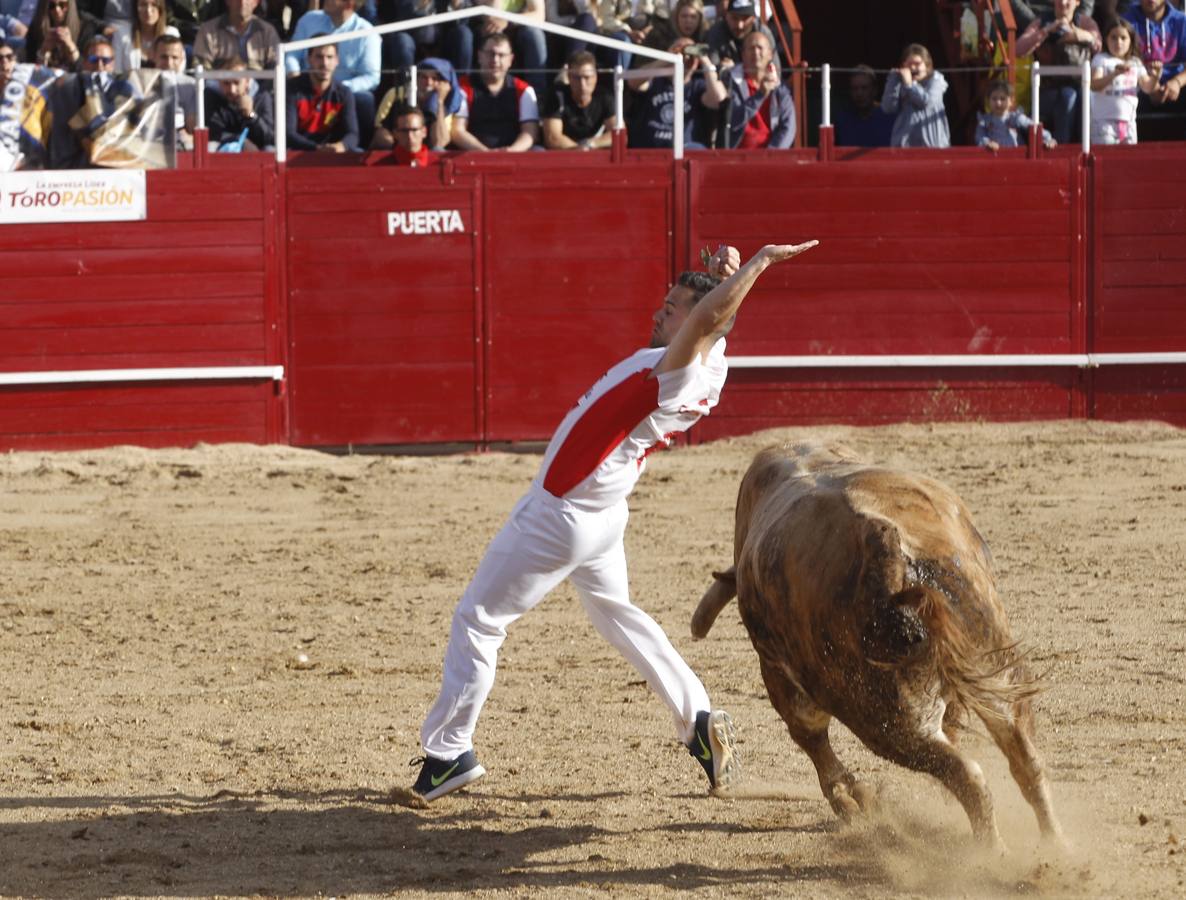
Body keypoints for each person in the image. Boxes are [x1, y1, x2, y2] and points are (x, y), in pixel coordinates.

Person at [409, 238, 820, 803]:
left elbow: (708, 320)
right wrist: (730, 283)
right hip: (602, 514)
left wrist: (758, 266)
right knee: (618, 615)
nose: (660, 312)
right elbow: (715, 323)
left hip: (561, 513)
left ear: (693, 326)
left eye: (671, 307)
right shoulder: (710, 369)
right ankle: (698, 719)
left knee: (478, 621)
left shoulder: (676, 371)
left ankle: (448, 752)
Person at [288, 0, 379, 144]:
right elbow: (291, 54)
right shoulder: (309, 19)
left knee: (365, 99)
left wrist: (339, 88)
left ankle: (362, 151)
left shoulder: (368, 33)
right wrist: (294, 73)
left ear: (349, 3)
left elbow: (372, 77)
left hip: (344, 94)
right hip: (305, 88)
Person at [1016, 0, 1101, 143]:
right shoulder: (1041, 21)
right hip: (1048, 91)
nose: (1063, 2)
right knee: (1069, 95)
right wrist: (1045, 31)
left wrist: (1080, 35)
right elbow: (1019, 49)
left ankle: (1085, 148)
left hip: (1079, 88)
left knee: (1083, 95)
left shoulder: (1084, 21)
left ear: (1077, 2)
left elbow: (1098, 44)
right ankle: (1062, 147)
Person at [626, 34, 726, 148]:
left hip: (687, 151)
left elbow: (718, 99)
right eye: (683, 55)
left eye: (691, 56)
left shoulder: (698, 86)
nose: (686, 59)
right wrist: (668, 57)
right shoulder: (655, 80)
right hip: (650, 151)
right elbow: (632, 81)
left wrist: (704, 58)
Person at [451, 31, 540, 151]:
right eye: (490, 54)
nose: (495, 60)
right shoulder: (463, 87)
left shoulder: (524, 90)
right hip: (474, 156)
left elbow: (530, 132)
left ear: (510, 60)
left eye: (501, 55)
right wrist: (486, 153)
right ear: (479, 56)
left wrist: (511, 151)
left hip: (514, 156)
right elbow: (458, 131)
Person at [1090, 16, 1161, 142]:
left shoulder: (1136, 62)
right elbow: (1094, 85)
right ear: (1106, 39)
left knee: (1129, 160)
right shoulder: (1101, 59)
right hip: (1103, 124)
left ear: (1131, 40)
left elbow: (1147, 87)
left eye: (1123, 38)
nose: (1118, 42)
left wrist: (1155, 76)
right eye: (1113, 37)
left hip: (1129, 124)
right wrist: (1114, 74)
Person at [720, 28, 794, 148]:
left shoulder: (780, 87)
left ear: (770, 54)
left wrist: (771, 155)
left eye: (760, 48)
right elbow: (733, 120)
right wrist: (760, 95)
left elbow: (788, 126)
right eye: (751, 48)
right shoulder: (731, 81)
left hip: (771, 158)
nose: (755, 52)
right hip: (737, 156)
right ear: (743, 54)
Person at [1124, 0, 1186, 133]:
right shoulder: (1126, 21)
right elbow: (1122, 59)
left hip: (1177, 88)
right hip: (1139, 86)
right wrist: (1151, 85)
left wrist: (1177, 82)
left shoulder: (1182, 21)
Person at [372, 56, 458, 151]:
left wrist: (439, 102)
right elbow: (380, 133)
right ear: (416, 78)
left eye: (434, 79)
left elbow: (440, 142)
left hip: (428, 158)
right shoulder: (397, 96)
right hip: (397, 152)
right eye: (424, 77)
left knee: (438, 150)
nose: (428, 83)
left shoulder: (446, 103)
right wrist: (402, 148)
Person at [286, 39, 359, 151]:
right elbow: (288, 134)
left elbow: (353, 134)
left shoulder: (344, 93)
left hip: (332, 154)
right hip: (297, 152)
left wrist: (341, 146)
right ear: (309, 59)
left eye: (329, 57)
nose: (325, 63)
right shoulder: (292, 88)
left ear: (337, 61)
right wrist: (316, 148)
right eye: (319, 57)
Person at [541, 48, 615, 149]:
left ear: (595, 77)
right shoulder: (557, 95)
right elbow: (552, 139)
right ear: (569, 77)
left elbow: (619, 135)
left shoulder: (605, 96)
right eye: (577, 78)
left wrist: (591, 144)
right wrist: (580, 150)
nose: (582, 84)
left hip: (593, 152)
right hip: (563, 156)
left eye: (587, 77)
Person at [881, 42, 951, 148]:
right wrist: (893, 83)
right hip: (904, 148)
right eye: (909, 64)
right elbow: (888, 108)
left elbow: (926, 102)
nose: (913, 68)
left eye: (917, 64)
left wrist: (910, 85)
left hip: (932, 147)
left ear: (927, 66)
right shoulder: (901, 82)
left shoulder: (936, 80)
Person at [205, 56, 274, 148]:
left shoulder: (262, 96)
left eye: (236, 83)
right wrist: (241, 141)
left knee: (270, 149)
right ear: (219, 81)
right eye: (226, 83)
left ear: (247, 81)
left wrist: (251, 115)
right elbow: (213, 133)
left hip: (258, 151)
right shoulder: (212, 96)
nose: (232, 90)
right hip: (225, 150)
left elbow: (269, 138)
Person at [192, 0, 281, 71]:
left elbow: (275, 69)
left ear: (256, 2)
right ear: (227, 1)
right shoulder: (208, 30)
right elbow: (201, 68)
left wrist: (254, 90)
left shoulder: (267, 32)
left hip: (258, 90)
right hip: (218, 89)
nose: (242, 2)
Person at [976, 78, 1056, 149]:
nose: (998, 103)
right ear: (988, 100)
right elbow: (979, 136)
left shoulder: (1015, 117)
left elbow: (1033, 126)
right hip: (993, 158)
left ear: (1011, 101)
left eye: (1002, 99)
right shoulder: (984, 120)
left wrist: (1048, 139)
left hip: (1015, 156)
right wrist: (987, 143)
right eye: (994, 99)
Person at [26, 0, 104, 69]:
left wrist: (71, 47)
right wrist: (43, 51)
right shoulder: (36, 28)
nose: (57, 10)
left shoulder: (85, 29)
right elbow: (30, 68)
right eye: (51, 6)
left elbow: (86, 69)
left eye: (62, 5)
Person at [152, 32, 197, 148]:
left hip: (180, 137)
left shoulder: (190, 85)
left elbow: (192, 127)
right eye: (164, 57)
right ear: (153, 56)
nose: (169, 63)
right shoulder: (142, 81)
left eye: (174, 57)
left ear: (182, 59)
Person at [832, 64, 894, 147]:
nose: (859, 93)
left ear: (875, 90)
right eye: (854, 88)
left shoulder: (890, 117)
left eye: (864, 88)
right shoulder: (842, 120)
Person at [704, 0, 774, 68]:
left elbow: (776, 70)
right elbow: (712, 69)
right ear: (726, 16)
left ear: (753, 18)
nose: (740, 25)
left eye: (745, 19)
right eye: (734, 18)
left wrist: (736, 70)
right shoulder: (716, 32)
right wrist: (723, 70)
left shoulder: (763, 32)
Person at [109, 0, 166, 71]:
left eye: (154, 5)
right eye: (143, 5)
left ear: (161, 9)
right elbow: (117, 70)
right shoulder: (121, 34)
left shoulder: (170, 33)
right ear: (136, 9)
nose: (148, 10)